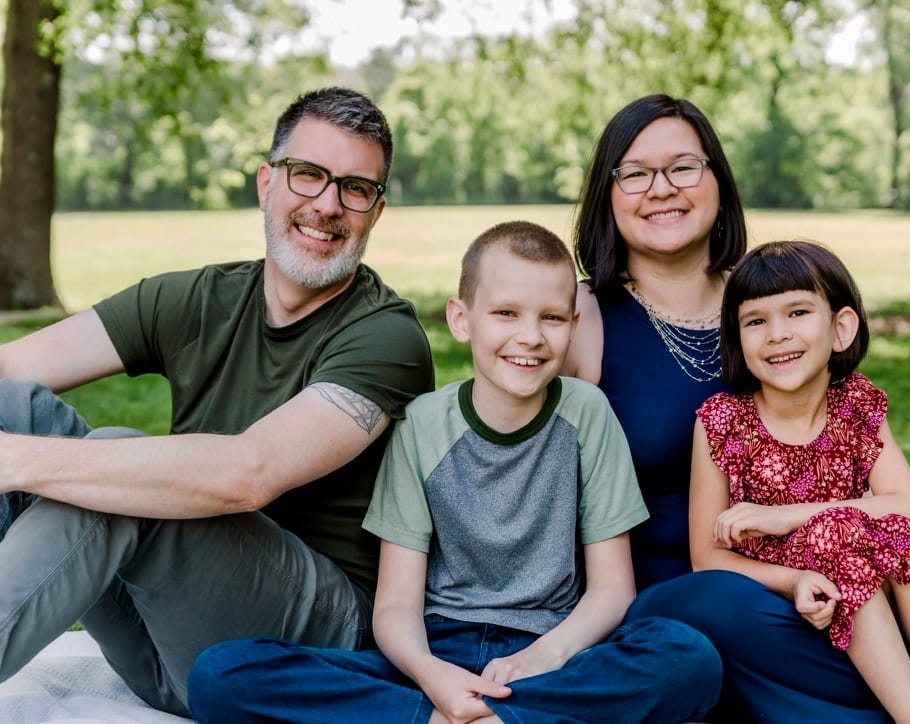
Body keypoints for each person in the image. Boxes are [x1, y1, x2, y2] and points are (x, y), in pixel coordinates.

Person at [562, 93, 910, 722]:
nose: (661, 189)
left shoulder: (772, 293)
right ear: (607, 192)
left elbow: (877, 482)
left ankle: (869, 696)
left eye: (684, 167)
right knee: (711, 621)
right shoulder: (583, 315)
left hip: (843, 579)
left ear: (718, 180)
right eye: (635, 172)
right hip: (711, 591)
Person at [0, 87, 434, 717]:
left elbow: (246, 476)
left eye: (355, 188)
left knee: (115, 462)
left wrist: (14, 463)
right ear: (266, 183)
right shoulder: (200, 298)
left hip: (302, 644)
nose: (327, 205)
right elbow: (10, 370)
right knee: (15, 410)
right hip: (158, 637)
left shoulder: (386, 336)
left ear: (376, 210)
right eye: (307, 175)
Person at [186, 220, 723, 724]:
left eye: (551, 318)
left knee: (688, 657)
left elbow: (612, 588)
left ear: (573, 324)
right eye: (506, 313)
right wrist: (430, 675)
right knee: (221, 675)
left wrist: (544, 656)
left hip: (552, 653)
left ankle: (480, 715)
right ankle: (467, 717)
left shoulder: (586, 413)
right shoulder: (422, 426)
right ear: (461, 319)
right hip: (437, 651)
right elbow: (396, 602)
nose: (530, 337)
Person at [694, 239, 910, 724]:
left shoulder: (856, 403)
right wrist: (795, 579)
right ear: (737, 340)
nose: (777, 334)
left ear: (841, 328)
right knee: (835, 535)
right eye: (756, 321)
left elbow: (906, 507)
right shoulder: (723, 420)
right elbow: (706, 558)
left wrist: (783, 517)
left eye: (797, 313)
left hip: (871, 586)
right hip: (787, 595)